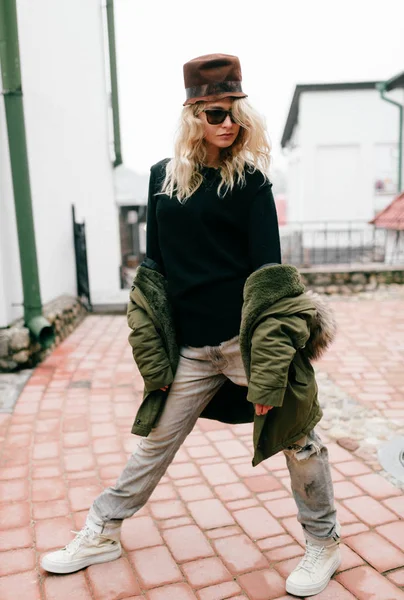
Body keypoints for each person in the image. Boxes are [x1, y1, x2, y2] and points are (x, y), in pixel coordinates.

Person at [41, 53, 340, 597]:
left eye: (234, 114)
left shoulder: (252, 183)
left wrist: (270, 368)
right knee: (154, 444)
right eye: (216, 113)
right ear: (193, 115)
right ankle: (103, 530)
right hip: (193, 350)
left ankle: (323, 542)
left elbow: (270, 280)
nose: (228, 124)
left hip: (245, 344)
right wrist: (154, 353)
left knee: (299, 438)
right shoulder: (163, 179)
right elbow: (153, 272)